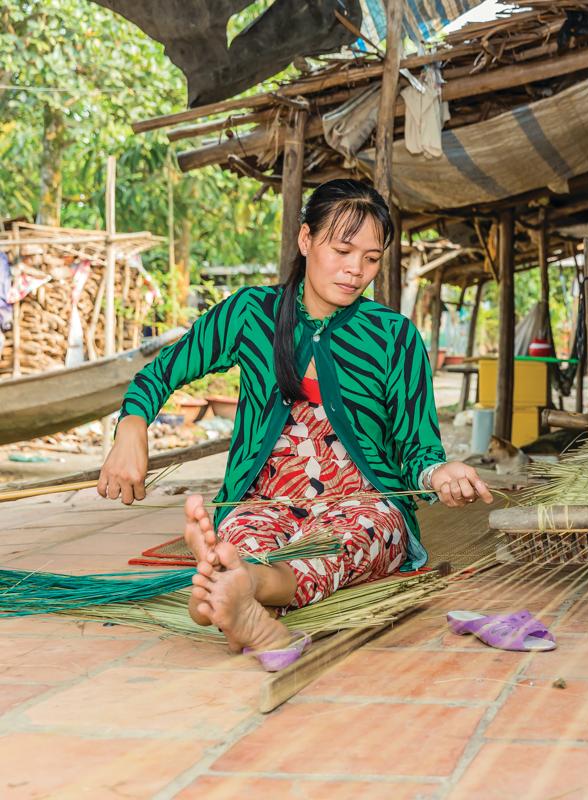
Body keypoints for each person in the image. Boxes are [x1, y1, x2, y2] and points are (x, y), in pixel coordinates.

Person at [97, 179, 493, 664]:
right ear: (306, 240)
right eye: (343, 250)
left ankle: (237, 590)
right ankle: (234, 583)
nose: (356, 271)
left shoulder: (395, 336)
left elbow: (417, 449)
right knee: (244, 535)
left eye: (371, 258)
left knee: (357, 541)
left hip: (364, 503)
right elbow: (164, 370)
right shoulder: (251, 314)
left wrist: (438, 473)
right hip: (264, 500)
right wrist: (131, 427)